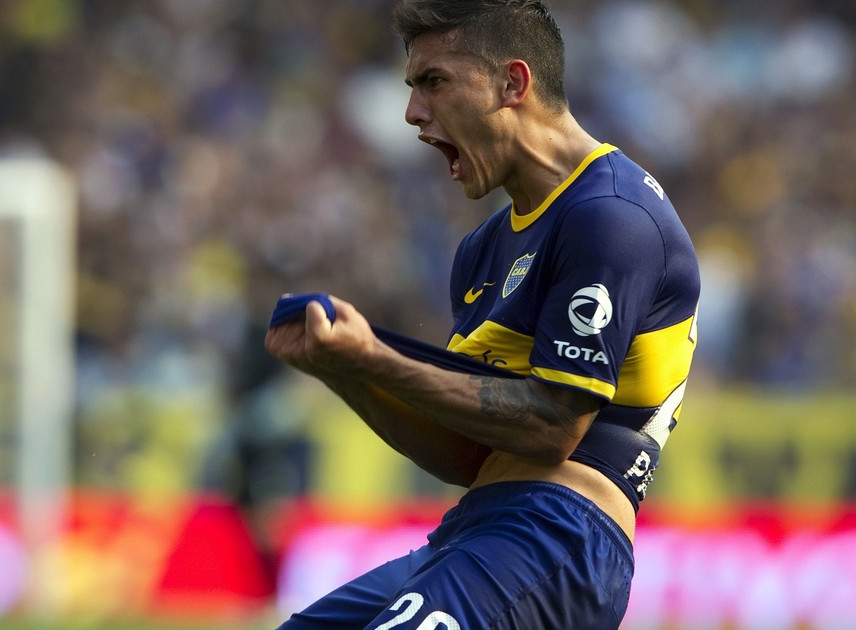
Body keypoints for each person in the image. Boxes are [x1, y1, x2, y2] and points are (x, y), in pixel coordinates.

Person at [265, 0, 700, 628]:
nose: (413, 113)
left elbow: (553, 426)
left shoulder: (612, 215)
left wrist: (377, 357)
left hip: (561, 536)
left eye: (434, 82)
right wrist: (346, 369)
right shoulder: (483, 248)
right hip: (474, 531)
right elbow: (463, 456)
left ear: (512, 83)